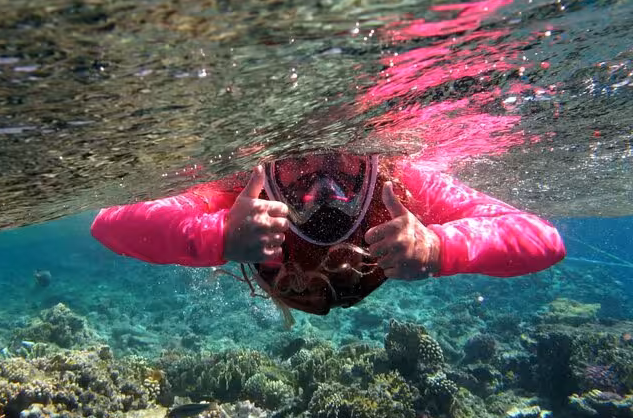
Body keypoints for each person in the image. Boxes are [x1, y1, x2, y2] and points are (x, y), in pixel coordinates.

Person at [91, 152, 566, 316]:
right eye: (302, 168)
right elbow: (541, 238)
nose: (323, 183)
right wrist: (441, 248)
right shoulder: (398, 184)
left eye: (293, 173)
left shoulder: (242, 195)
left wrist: (217, 236)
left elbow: (109, 223)